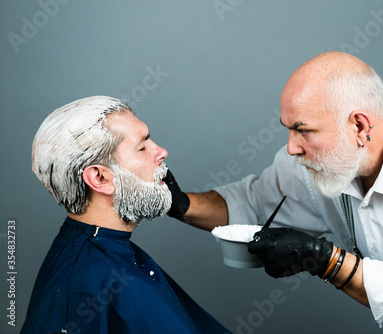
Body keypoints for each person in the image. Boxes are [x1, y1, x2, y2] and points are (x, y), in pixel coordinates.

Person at [165, 52, 383, 333]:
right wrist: (178, 203)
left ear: (359, 126)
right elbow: (253, 205)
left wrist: (323, 260)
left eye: (303, 131)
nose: (291, 148)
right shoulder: (324, 159)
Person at [22, 96, 229, 334]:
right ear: (100, 178)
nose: (162, 152)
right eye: (142, 147)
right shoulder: (102, 284)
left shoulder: (85, 253)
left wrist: (180, 203)